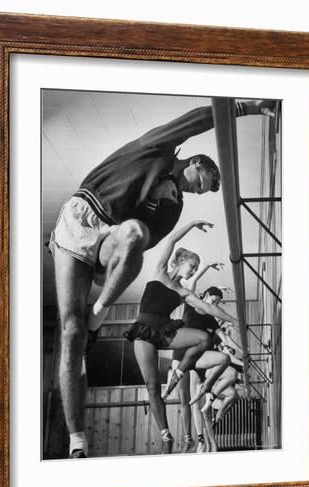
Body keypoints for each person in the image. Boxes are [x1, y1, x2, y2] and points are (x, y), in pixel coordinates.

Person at [49, 99, 274, 458]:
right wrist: (247, 108)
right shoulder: (158, 148)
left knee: (136, 233)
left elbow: (145, 247)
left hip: (112, 242)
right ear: (196, 162)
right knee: (71, 332)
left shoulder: (172, 207)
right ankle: (78, 440)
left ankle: (102, 309)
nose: (196, 191)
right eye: (203, 183)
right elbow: (200, 118)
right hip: (79, 220)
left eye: (201, 192)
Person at [124, 223, 238, 453]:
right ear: (181, 261)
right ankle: (166, 436)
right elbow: (170, 241)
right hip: (144, 331)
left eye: (196, 269)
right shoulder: (159, 272)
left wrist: (236, 321)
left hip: (165, 331)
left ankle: (178, 371)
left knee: (203, 339)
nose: (193, 271)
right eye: (192, 266)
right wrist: (193, 223)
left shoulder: (183, 292)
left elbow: (210, 309)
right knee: (153, 386)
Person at [170, 285, 245, 451]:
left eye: (218, 302)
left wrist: (241, 350)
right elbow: (190, 284)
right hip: (187, 357)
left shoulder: (211, 319)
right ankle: (200, 439)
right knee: (192, 402)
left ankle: (212, 438)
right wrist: (207, 268)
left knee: (226, 389)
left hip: (204, 361)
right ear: (205, 295)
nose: (215, 304)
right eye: (213, 300)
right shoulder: (191, 304)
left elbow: (224, 338)